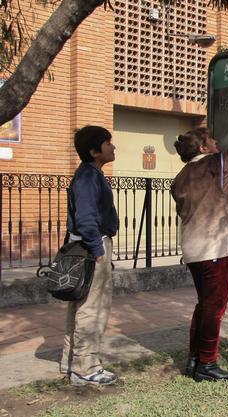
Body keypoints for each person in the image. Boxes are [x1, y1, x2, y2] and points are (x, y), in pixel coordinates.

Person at [171, 91, 228, 382]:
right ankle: (207, 363)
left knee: (204, 304)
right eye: (212, 140)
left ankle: (195, 358)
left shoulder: (180, 178)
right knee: (215, 307)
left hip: (194, 250)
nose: (217, 143)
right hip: (216, 248)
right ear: (203, 146)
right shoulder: (217, 164)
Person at [61, 125, 119, 386]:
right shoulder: (87, 178)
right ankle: (87, 366)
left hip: (90, 247)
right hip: (91, 249)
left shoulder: (91, 175)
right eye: (108, 143)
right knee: (91, 308)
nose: (113, 147)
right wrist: (97, 251)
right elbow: (85, 220)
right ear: (95, 151)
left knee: (81, 305)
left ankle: (71, 363)